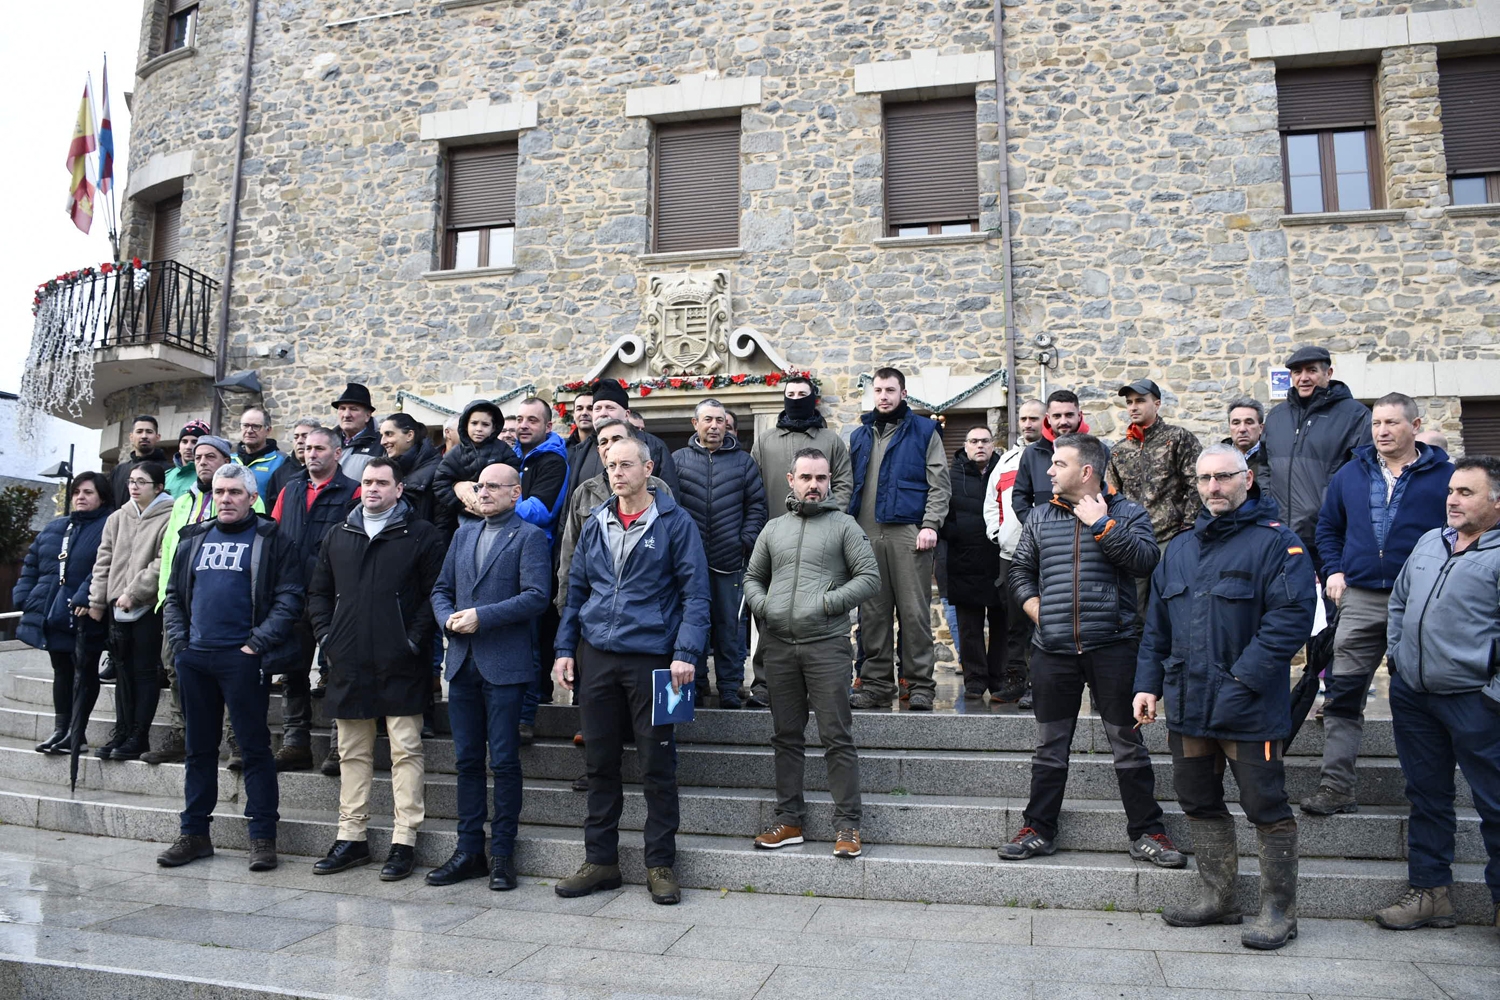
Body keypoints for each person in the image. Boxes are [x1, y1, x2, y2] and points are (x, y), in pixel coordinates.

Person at [1133, 444, 1317, 950]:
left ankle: (1280, 910)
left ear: (1247, 480)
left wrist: (1240, 682)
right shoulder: (1179, 550)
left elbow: (1290, 621)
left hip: (1250, 706)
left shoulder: (1279, 545)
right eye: (1205, 479)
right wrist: (1146, 684)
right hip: (1188, 706)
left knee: (1265, 805)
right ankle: (1218, 898)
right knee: (1196, 800)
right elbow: (1157, 628)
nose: (1213, 487)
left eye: (1224, 478)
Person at [1002, 434, 1181, 867]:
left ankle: (1147, 831)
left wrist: (1102, 525)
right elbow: (1020, 570)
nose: (1048, 471)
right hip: (1053, 650)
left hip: (1114, 647)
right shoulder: (1041, 516)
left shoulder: (1127, 513)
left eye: (1058, 464)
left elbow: (1145, 561)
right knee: (1050, 745)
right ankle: (1038, 829)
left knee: (1127, 743)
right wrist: (1035, 608)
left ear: (1085, 472)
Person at [552, 437, 709, 905]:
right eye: (610, 465)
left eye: (626, 465)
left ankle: (660, 863)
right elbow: (576, 589)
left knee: (658, 765)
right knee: (599, 762)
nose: (617, 473)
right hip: (597, 656)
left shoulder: (676, 523)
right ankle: (600, 861)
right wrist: (565, 648)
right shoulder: (596, 522)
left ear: (648, 468)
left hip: (658, 661)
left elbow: (695, 596)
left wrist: (687, 652)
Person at [1303, 393, 1453, 817]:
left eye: (1392, 423)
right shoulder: (1352, 472)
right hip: (1361, 599)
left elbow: (1463, 533)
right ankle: (1336, 788)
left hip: (1421, 603)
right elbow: (1328, 528)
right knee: (1343, 694)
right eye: (1377, 424)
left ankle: (1428, 794)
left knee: (1421, 697)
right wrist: (1333, 571)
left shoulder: (1445, 476)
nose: (1383, 431)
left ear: (1415, 425)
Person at [1371, 456, 1500, 934]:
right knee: (1427, 798)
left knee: (1496, 804)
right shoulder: (1430, 541)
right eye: (1451, 490)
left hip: (1476, 701)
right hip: (1415, 696)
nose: (1452, 499)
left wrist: (1493, 693)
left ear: (1496, 501)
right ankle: (1431, 894)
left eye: (1467, 492)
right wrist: (1399, 659)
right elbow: (1401, 601)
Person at [157, 463, 302, 873]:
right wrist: (181, 644)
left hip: (243, 660)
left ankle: (261, 838)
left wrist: (256, 645)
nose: (225, 499)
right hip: (195, 659)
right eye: (220, 491)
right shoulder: (194, 537)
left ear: (252, 497)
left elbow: (290, 598)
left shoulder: (272, 539)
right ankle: (194, 834)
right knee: (198, 751)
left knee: (254, 749)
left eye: (235, 492)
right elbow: (174, 596)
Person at [307, 457, 445, 881]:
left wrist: (411, 639)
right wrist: (328, 638)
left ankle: (404, 840)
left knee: (406, 750)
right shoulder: (338, 533)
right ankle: (352, 838)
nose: (373, 489)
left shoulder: (422, 535)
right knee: (352, 751)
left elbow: (433, 594)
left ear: (399, 489)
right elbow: (318, 593)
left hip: (402, 661)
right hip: (349, 661)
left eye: (382, 483)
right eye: (367, 482)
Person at [745, 448, 879, 857]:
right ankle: (789, 821)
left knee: (836, 736)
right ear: (791, 480)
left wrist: (826, 604)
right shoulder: (773, 529)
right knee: (786, 736)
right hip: (780, 647)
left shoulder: (844, 526)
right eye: (806, 477)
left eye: (821, 478)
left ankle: (848, 826)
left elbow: (869, 577)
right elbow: (752, 578)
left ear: (829, 482)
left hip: (827, 646)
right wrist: (766, 607)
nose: (814, 485)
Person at [428, 463, 551, 889]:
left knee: (503, 761)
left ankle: (501, 853)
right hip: (462, 664)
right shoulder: (463, 534)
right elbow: (441, 589)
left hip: (505, 666)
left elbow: (537, 596)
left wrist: (483, 617)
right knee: (465, 761)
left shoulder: (530, 537)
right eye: (479, 486)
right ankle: (468, 851)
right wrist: (448, 620)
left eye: (492, 487)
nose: (482, 492)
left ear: (515, 493)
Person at [148, 435, 266, 766]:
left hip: (228, 604)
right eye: (197, 456)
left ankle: (235, 737)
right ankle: (181, 731)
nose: (201, 461)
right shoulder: (183, 499)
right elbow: (169, 549)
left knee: (230, 675)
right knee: (174, 667)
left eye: (210, 456)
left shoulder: (242, 493)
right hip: (180, 600)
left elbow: (257, 548)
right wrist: (164, 595)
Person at [847, 367, 950, 711]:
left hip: (910, 532)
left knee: (914, 613)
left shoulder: (924, 430)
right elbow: (850, 485)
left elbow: (939, 483)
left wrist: (930, 524)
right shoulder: (860, 435)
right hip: (865, 534)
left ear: (903, 393)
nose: (884, 396)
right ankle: (876, 684)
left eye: (890, 390)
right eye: (878, 390)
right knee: (872, 614)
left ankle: (919, 684)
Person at [748, 374, 854, 707]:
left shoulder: (831, 439)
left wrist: (833, 521)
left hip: (822, 540)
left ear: (813, 398)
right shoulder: (765, 441)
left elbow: (845, 483)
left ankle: (820, 681)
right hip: (775, 539)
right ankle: (764, 682)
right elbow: (752, 488)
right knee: (769, 611)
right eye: (790, 393)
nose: (796, 398)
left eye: (802, 393)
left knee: (818, 606)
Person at [270, 427, 361, 772]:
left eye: (320, 448)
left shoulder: (354, 492)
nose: (311, 454)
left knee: (338, 671)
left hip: (337, 595)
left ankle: (339, 747)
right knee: (293, 671)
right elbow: (275, 538)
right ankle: (296, 743)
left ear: (337, 453)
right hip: (292, 594)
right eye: (307, 448)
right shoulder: (289, 490)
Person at [672, 399, 768, 708]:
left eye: (720, 421)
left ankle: (729, 687)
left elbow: (756, 506)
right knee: (692, 623)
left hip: (730, 560)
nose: (714, 426)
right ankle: (697, 685)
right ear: (695, 423)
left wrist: (746, 539)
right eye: (708, 420)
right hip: (689, 561)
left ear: (727, 425)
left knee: (730, 626)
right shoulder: (678, 460)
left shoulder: (743, 463)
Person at [13, 472, 112, 753]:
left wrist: (86, 594)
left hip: (84, 613)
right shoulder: (57, 527)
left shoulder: (109, 525)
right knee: (61, 670)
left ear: (102, 497)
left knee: (83, 670)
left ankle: (76, 732)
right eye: (77, 492)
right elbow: (31, 563)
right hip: (51, 612)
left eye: (88, 492)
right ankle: (60, 729)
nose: (81, 497)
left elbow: (105, 566)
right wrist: (23, 597)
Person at [1262, 346, 1372, 583]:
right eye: (1297, 372)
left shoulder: (1355, 415)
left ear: (1328, 373)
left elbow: (1362, 472)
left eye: (1311, 370)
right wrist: (1268, 498)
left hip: (1328, 537)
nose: (1303, 378)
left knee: (1331, 609)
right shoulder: (1276, 416)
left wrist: (1328, 505)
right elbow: (1262, 465)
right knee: (1286, 607)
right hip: (1280, 534)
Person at [88, 461, 174, 760]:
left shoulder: (170, 515)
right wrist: (98, 601)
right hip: (115, 607)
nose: (134, 487)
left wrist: (134, 593)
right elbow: (103, 561)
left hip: (147, 608)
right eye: (131, 482)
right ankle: (122, 731)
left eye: (142, 482)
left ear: (159, 487)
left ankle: (139, 735)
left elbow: (164, 560)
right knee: (122, 672)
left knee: (144, 672)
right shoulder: (117, 517)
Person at [555, 418, 674, 613]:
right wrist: (565, 605)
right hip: (595, 603)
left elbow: (672, 550)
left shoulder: (658, 488)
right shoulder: (584, 492)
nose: (610, 446)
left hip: (646, 605)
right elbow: (570, 552)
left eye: (617, 439)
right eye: (603, 442)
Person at [1107, 379, 1202, 609]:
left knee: (1174, 606)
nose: (1133, 407)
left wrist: (1187, 529)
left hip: (1172, 539)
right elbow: (1114, 496)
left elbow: (1197, 484)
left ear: (1157, 404)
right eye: (1129, 402)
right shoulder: (1119, 451)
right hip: (1134, 541)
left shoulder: (1178, 438)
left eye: (1140, 400)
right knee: (1135, 610)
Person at [512, 396, 572, 739]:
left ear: (548, 426)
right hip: (508, 559)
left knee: (533, 643)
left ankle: (526, 716)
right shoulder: (514, 457)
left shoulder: (551, 460)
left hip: (536, 560)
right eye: (519, 419)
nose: (523, 425)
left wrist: (490, 501)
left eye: (532, 420)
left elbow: (540, 511)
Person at [983, 398, 1045, 705]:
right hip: (1011, 553)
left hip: (1048, 552)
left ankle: (1040, 682)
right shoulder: (1006, 461)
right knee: (1013, 623)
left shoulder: (1056, 456)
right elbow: (992, 502)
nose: (1028, 424)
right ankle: (1015, 681)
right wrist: (998, 534)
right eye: (1023, 419)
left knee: (1043, 619)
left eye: (1034, 418)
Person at [942, 424, 1005, 701]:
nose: (979, 446)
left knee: (1002, 623)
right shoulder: (950, 475)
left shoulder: (1004, 471)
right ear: (965, 446)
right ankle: (975, 681)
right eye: (973, 441)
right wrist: (953, 533)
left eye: (985, 441)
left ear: (993, 444)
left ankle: (1001, 678)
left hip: (999, 559)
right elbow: (939, 509)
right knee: (969, 628)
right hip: (963, 559)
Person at [574, 379, 679, 494]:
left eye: (610, 408)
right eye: (597, 408)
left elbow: (669, 495)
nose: (603, 413)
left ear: (626, 414)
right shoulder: (581, 449)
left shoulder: (654, 446)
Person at [432, 399, 520, 534]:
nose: (479, 428)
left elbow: (514, 475)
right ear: (465, 425)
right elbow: (440, 482)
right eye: (474, 423)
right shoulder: (456, 453)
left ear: (494, 428)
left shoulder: (503, 451)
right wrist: (462, 504)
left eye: (485, 424)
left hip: (498, 513)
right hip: (468, 515)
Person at [1012, 390, 1095, 523]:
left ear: (1079, 415)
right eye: (1057, 416)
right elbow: (1020, 496)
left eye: (1069, 415)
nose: (1063, 421)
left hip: (1086, 533)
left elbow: (1107, 493)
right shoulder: (1032, 453)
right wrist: (1033, 525)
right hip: (1045, 535)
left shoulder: (1097, 450)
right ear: (1048, 418)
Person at [381, 413, 442, 525]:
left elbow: (443, 524)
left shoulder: (438, 470)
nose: (383, 441)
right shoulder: (382, 468)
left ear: (409, 435)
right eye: (382, 435)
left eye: (389, 434)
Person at [235, 406, 296, 503]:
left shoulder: (281, 462)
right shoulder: (229, 460)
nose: (249, 431)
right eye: (245, 425)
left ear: (268, 430)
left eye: (256, 426)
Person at [109, 415, 168, 509]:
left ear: (157, 437)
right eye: (139, 431)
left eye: (149, 432)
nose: (144, 436)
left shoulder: (168, 470)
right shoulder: (118, 471)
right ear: (131, 437)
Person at [330, 382, 385, 480]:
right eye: (342, 408)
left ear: (367, 415)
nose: (346, 415)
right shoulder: (328, 442)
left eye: (353, 409)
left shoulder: (381, 444)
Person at [1225, 397, 1270, 486]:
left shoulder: (1272, 459)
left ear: (1261, 428)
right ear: (1229, 427)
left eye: (1249, 422)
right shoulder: (1218, 459)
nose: (1242, 429)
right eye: (1236, 423)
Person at [165, 420, 210, 497]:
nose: (188, 447)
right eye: (184, 442)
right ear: (179, 446)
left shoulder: (208, 476)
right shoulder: (166, 476)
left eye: (194, 442)